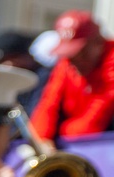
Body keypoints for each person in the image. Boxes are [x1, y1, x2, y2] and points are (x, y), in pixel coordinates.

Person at [31, 11, 114, 141]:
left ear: (98, 43)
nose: (76, 60)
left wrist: (64, 132)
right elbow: (49, 102)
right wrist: (42, 140)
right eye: (71, 54)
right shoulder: (67, 62)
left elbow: (100, 112)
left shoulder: (111, 58)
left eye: (82, 52)